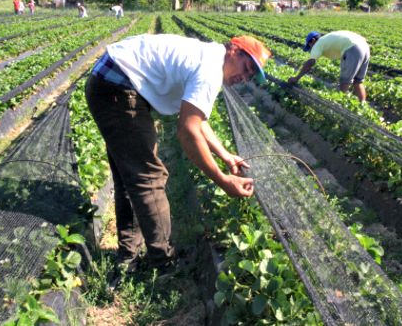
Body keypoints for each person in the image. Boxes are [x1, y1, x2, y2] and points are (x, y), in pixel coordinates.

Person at [85, 34, 271, 276]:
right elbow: (187, 131)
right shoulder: (210, 70)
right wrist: (222, 180)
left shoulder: (210, 58)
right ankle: (163, 263)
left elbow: (197, 118)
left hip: (109, 81)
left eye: (249, 77)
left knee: (131, 175)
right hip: (116, 86)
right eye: (246, 68)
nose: (243, 78)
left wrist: (225, 155)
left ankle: (128, 257)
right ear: (234, 50)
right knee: (149, 178)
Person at [288, 30, 370, 102]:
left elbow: (310, 62)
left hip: (352, 48)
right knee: (358, 81)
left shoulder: (317, 44)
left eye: (309, 46)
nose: (310, 48)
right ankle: (362, 105)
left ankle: (340, 108)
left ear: (312, 41)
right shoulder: (327, 38)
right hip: (365, 47)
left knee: (344, 82)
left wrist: (296, 78)